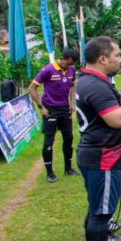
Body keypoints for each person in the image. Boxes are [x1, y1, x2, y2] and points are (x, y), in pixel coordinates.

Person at [76, 36, 121, 241]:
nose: (120, 60)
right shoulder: (96, 86)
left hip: (100, 155)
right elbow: (114, 119)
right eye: (117, 55)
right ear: (103, 58)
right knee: (101, 213)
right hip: (103, 158)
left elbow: (104, 118)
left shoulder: (91, 81)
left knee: (98, 208)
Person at [28, 48, 80, 183]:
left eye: (72, 64)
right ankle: (50, 173)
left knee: (68, 138)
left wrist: (71, 103)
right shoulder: (47, 70)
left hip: (65, 110)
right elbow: (32, 88)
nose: (69, 66)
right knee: (49, 141)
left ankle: (68, 169)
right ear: (62, 58)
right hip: (50, 110)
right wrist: (41, 107)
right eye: (68, 63)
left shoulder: (71, 70)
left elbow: (73, 85)